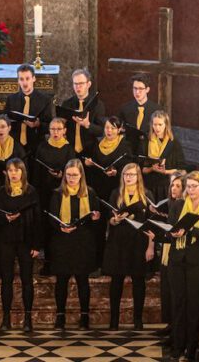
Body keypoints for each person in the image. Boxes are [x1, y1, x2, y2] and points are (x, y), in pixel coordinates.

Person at [167, 170, 199, 362]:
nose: (190, 190)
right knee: (178, 304)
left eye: (194, 186)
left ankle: (190, 350)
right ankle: (176, 348)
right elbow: (169, 229)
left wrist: (192, 230)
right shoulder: (178, 205)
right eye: (188, 186)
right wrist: (173, 233)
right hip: (177, 261)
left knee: (193, 306)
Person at [102, 162, 155, 330]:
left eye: (132, 175)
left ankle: (137, 320)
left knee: (138, 281)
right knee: (116, 281)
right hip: (118, 241)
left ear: (138, 177)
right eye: (126, 175)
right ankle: (114, 320)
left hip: (139, 242)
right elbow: (109, 220)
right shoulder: (116, 193)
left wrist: (150, 246)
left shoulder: (146, 195)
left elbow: (151, 224)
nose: (129, 178)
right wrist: (115, 220)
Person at [49, 158, 100, 330]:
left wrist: (96, 218)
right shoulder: (57, 193)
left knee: (82, 280)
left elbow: (96, 220)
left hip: (83, 241)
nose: (71, 178)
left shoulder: (90, 193)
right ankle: (60, 315)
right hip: (62, 241)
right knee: (61, 280)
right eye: (69, 175)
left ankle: (85, 316)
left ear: (81, 175)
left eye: (75, 175)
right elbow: (51, 217)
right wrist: (60, 227)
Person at [0, 158, 41, 332]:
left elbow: (37, 220)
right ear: (6, 173)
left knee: (27, 280)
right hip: (6, 240)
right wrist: (5, 218)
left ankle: (28, 320)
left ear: (23, 172)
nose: (14, 173)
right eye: (10, 170)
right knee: (7, 280)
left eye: (17, 170)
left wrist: (36, 245)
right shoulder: (1, 191)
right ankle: (6, 319)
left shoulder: (31, 192)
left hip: (26, 241)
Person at [83, 116, 132, 267]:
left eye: (112, 128)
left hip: (116, 193)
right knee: (97, 228)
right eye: (106, 128)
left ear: (119, 130)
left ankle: (115, 263)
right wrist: (88, 164)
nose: (109, 131)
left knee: (117, 228)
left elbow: (130, 169)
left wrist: (117, 172)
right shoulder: (96, 145)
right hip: (98, 193)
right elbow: (87, 168)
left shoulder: (126, 147)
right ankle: (97, 263)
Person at [33, 118, 74, 274]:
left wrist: (61, 175)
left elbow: (72, 170)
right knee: (48, 227)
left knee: (62, 226)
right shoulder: (42, 147)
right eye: (52, 129)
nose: (55, 132)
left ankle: (64, 262)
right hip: (45, 192)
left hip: (63, 193)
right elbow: (36, 171)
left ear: (64, 131)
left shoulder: (68, 148)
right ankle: (49, 262)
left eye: (59, 129)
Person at [156, 171, 186, 342]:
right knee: (166, 291)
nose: (173, 189)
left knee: (174, 293)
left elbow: (174, 228)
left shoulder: (180, 205)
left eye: (177, 186)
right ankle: (171, 325)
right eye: (172, 185)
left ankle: (176, 330)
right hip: (167, 250)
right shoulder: (171, 204)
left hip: (175, 251)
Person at [4, 64, 52, 160]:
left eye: (27, 78)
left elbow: (49, 126)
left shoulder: (45, 100)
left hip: (36, 145)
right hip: (15, 145)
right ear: (18, 81)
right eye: (21, 79)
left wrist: (38, 124)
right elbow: (6, 121)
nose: (25, 83)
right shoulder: (11, 99)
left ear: (33, 79)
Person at [141, 110, 186, 202]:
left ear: (166, 125)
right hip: (148, 185)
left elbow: (181, 169)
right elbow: (140, 167)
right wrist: (151, 169)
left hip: (167, 185)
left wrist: (165, 171)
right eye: (155, 124)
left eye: (160, 125)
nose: (157, 128)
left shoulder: (174, 143)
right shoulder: (145, 141)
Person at [59, 69, 106, 156]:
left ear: (88, 84)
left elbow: (102, 131)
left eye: (81, 84)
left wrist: (88, 125)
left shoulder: (97, 104)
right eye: (75, 84)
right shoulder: (67, 103)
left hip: (90, 152)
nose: (78, 87)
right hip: (69, 151)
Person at [117, 73, 162, 154]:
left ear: (147, 89)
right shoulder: (125, 108)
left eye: (141, 89)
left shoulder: (157, 109)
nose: (137, 92)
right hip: (129, 152)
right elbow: (119, 130)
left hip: (149, 152)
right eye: (135, 88)